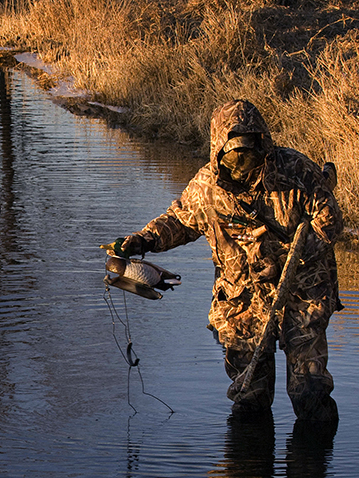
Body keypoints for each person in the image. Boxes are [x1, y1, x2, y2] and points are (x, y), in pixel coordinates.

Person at [116, 99, 343, 422]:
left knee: (310, 394)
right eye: (235, 156)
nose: (243, 166)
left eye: (250, 154)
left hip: (301, 295)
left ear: (263, 143)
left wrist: (284, 260)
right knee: (249, 398)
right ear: (218, 150)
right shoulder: (208, 185)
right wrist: (146, 239)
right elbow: (180, 220)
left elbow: (329, 221)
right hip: (242, 302)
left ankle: (312, 466)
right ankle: (247, 469)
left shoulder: (295, 172)